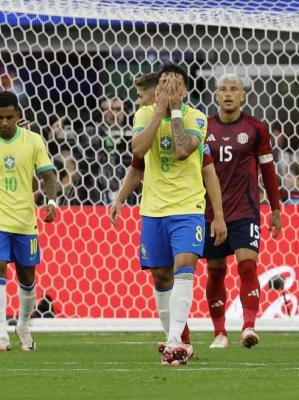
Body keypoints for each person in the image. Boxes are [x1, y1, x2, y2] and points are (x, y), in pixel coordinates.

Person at [109, 72, 227, 353]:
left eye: (172, 87)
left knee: (185, 267)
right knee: (161, 276)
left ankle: (174, 340)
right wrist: (120, 198)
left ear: (183, 91)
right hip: (153, 210)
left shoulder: (197, 117)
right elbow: (138, 153)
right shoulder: (143, 115)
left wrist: (174, 113)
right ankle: (176, 338)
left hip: (188, 208)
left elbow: (184, 150)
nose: (165, 91)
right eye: (162, 87)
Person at [0, 91, 58, 351]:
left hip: (25, 222)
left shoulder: (33, 140)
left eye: (9, 118)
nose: (4, 123)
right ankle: (1, 334)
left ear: (18, 116)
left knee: (27, 279)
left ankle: (24, 326)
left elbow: (49, 176)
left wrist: (51, 203)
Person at [201, 74, 282, 349]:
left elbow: (268, 171)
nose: (228, 93)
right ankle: (220, 333)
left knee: (248, 266)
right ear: (216, 95)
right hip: (211, 212)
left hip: (246, 210)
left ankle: (248, 327)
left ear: (243, 95)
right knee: (216, 271)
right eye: (222, 89)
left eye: (234, 89)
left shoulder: (256, 128)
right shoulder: (204, 127)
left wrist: (276, 209)